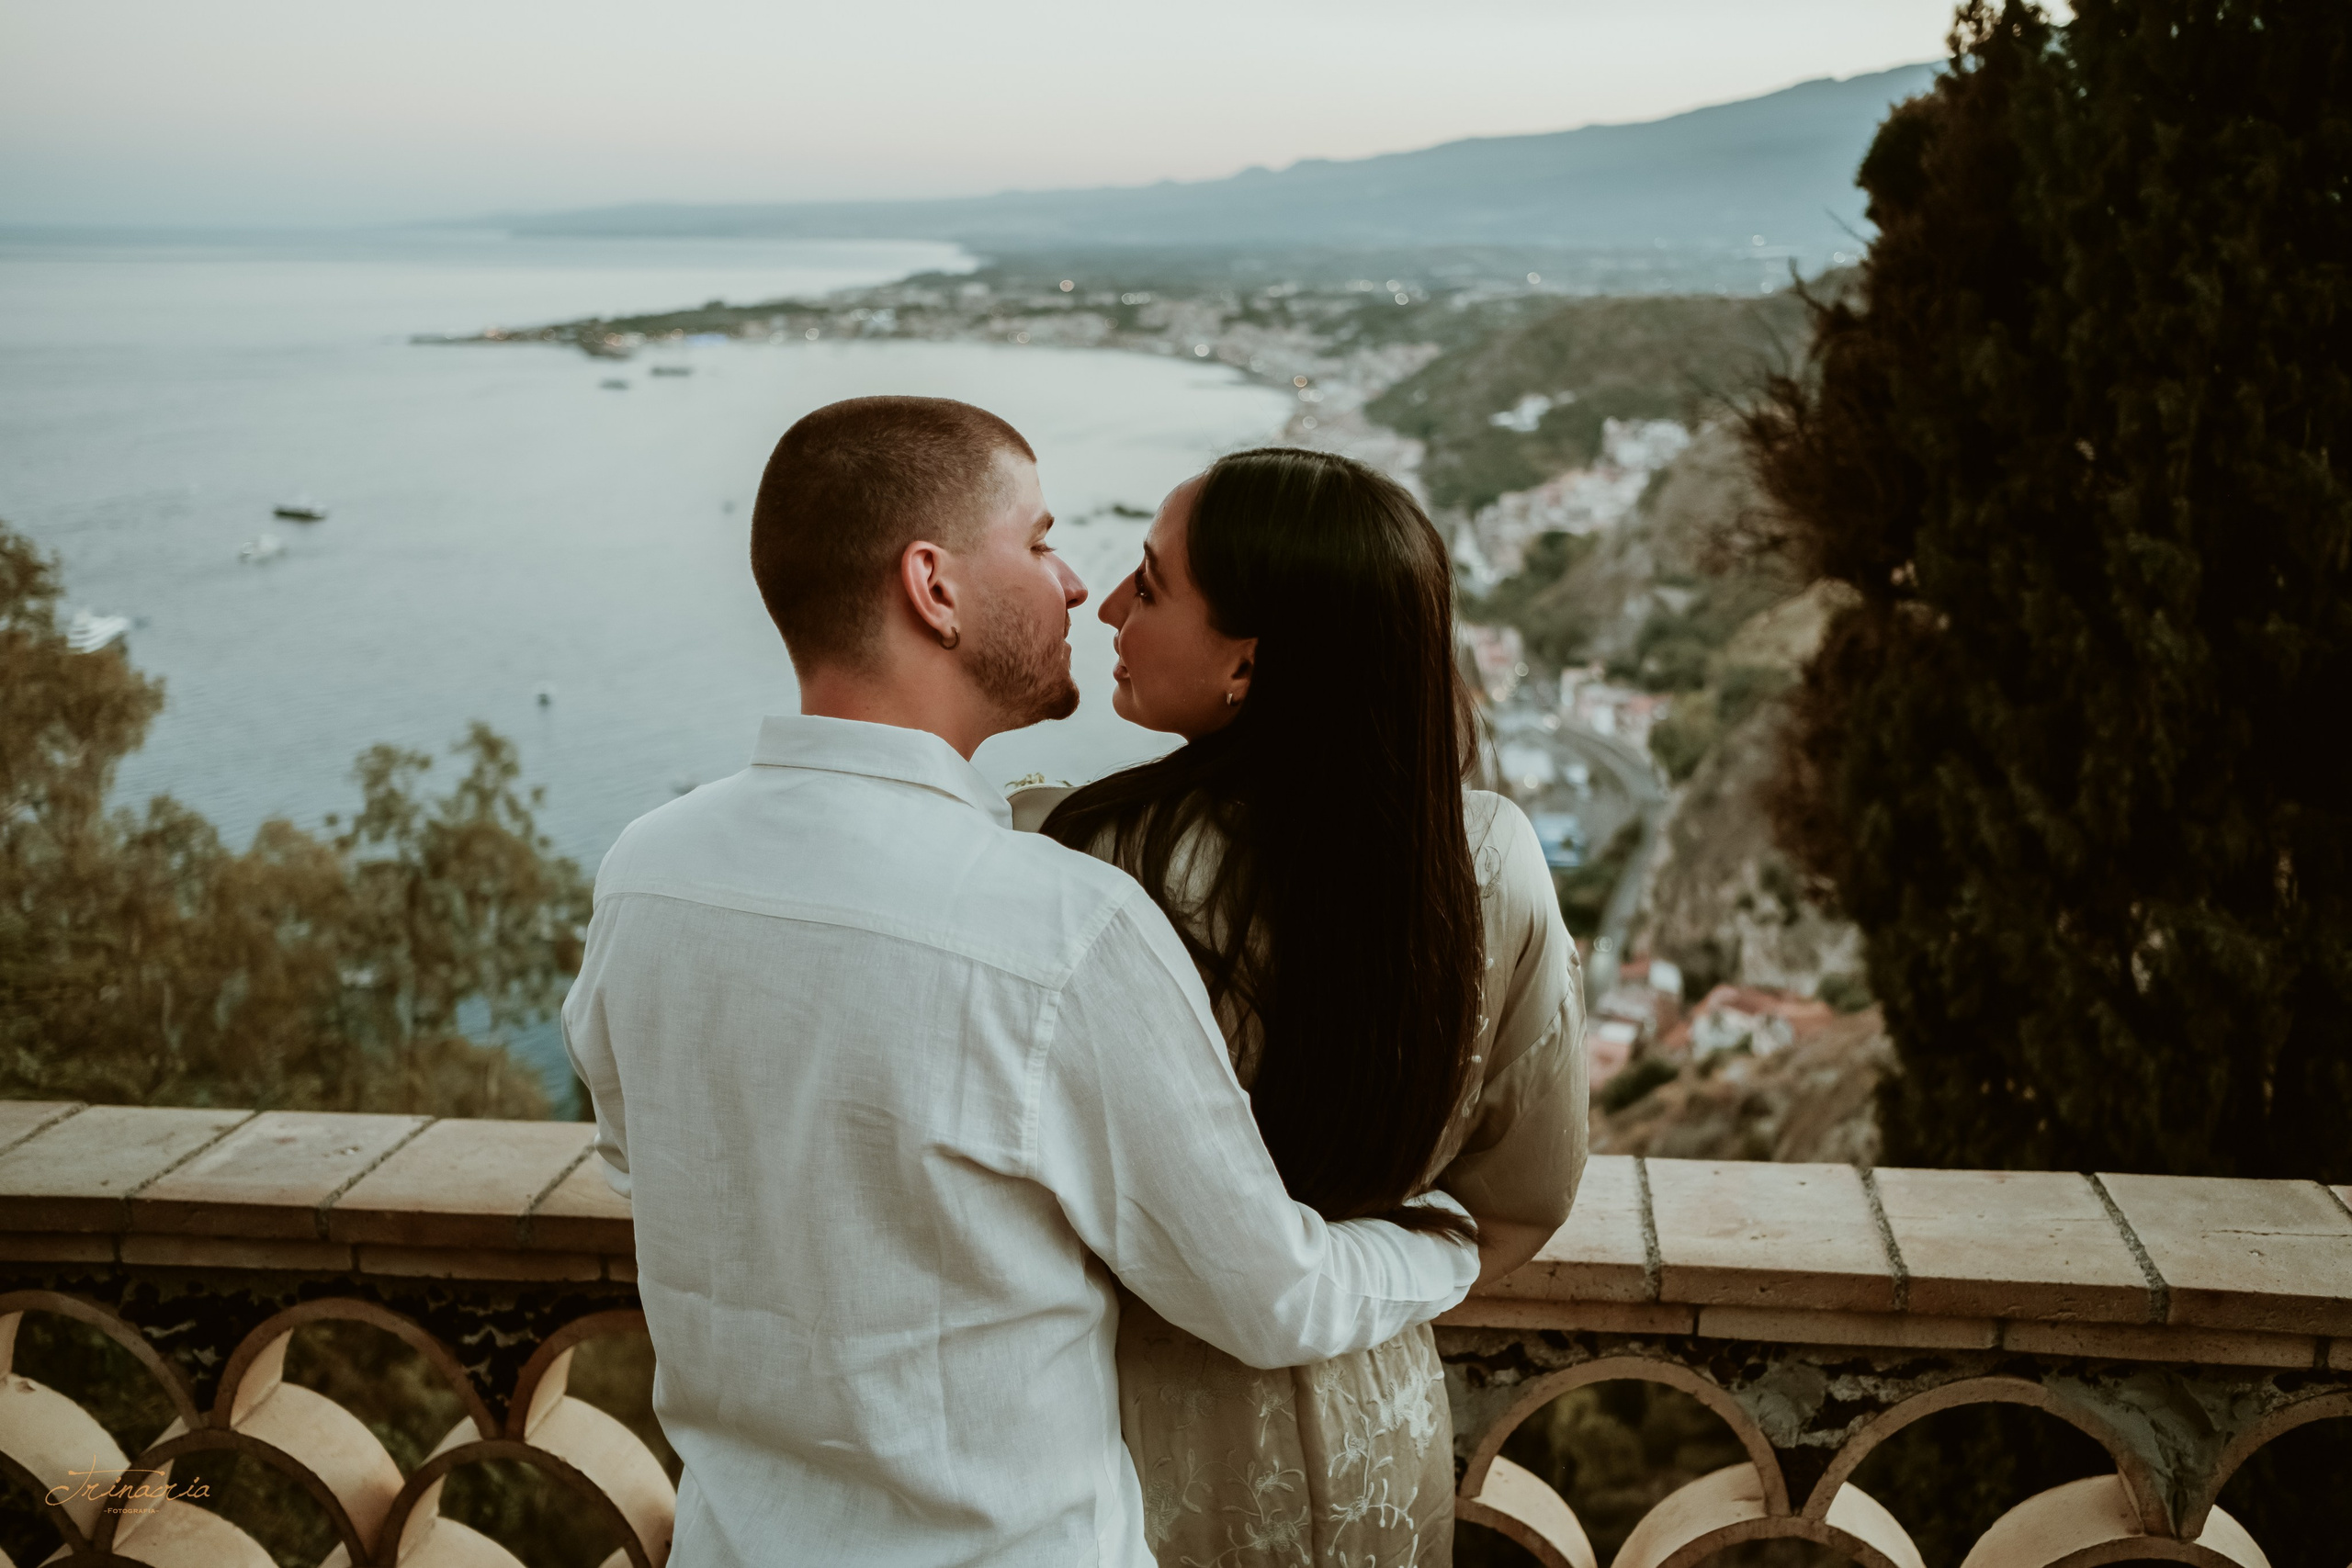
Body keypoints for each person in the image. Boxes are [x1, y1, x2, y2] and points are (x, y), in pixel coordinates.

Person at [561, 397, 1488, 1568]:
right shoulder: (1064, 931)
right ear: (932, 587)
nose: (1073, 584)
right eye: (1042, 539)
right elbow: (1269, 1298)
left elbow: (641, 1154)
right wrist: (1446, 1241)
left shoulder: (646, 874)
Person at [1013, 447, 1588, 1568]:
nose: (1113, 608)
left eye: (1153, 581)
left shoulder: (1074, 861)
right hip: (1378, 1430)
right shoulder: (1488, 865)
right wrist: (1367, 1271)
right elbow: (1521, 1205)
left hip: (1125, 1442)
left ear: (1248, 666)